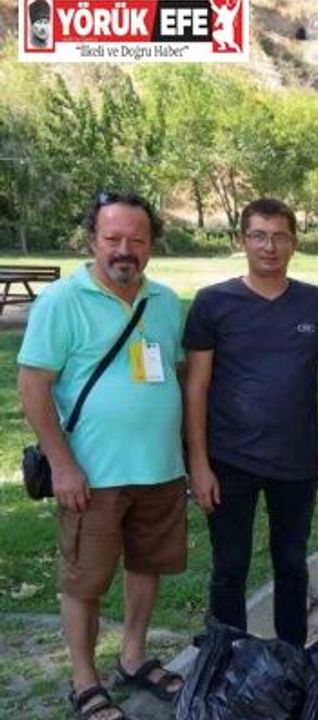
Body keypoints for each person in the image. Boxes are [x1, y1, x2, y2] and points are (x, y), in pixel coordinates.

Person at [18, 192, 187, 720]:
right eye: (113, 238)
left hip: (160, 468)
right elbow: (33, 386)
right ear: (93, 239)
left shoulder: (165, 301)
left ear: (152, 244)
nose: (125, 250)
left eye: (137, 239)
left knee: (147, 566)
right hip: (92, 475)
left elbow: (178, 374)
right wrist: (62, 465)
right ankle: (84, 680)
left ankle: (133, 657)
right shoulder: (61, 301)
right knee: (84, 582)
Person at [184, 198, 318, 647]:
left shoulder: (317, 304)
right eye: (258, 236)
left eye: (279, 237)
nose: (269, 247)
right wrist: (198, 463)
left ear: (294, 242)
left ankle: (292, 655)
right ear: (243, 240)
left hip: (296, 458)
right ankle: (229, 658)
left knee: (292, 564)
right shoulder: (213, 303)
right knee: (229, 567)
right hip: (228, 458)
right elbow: (196, 387)